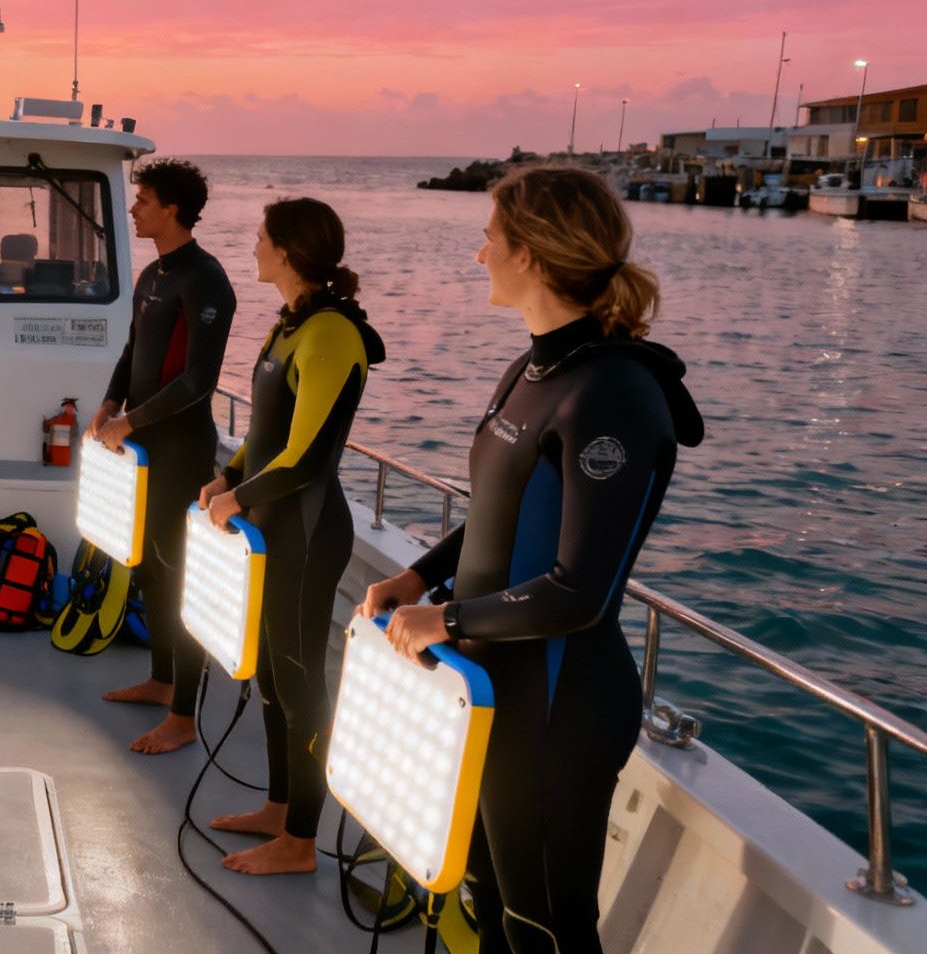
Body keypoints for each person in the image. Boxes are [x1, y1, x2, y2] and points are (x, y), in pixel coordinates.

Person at [360, 166, 703, 954]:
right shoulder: (536, 367)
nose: (480, 256)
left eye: (491, 239)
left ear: (535, 257)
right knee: (490, 903)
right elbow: (497, 514)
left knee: (543, 928)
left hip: (558, 705)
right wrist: (422, 576)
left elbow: (579, 591)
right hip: (490, 689)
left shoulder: (611, 391)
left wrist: (443, 617)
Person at [198, 198, 385, 875]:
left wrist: (241, 495)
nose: (251, 247)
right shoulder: (290, 325)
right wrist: (230, 480)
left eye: (258, 237)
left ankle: (301, 843)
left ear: (285, 250)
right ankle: (279, 808)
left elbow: (306, 457)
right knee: (275, 675)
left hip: (305, 530)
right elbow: (267, 434)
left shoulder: (331, 332)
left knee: (303, 683)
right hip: (270, 526)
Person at [89, 158, 237, 754]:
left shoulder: (206, 279)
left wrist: (130, 421)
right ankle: (160, 678)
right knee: (147, 564)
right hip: (138, 442)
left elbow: (199, 380)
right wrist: (108, 402)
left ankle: (183, 714)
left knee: (178, 575)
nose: (134, 208)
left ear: (173, 208)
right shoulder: (152, 275)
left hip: (178, 447)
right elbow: (133, 350)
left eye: (143, 199)